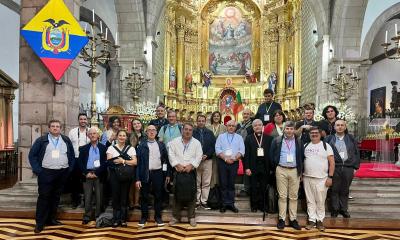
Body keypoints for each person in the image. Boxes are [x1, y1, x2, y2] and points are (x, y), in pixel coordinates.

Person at [29, 120, 75, 233]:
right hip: (46, 173)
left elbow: (72, 155)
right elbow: (32, 155)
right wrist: (38, 170)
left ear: (61, 128)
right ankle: (40, 223)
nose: (55, 128)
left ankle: (51, 219)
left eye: (57, 126)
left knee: (56, 197)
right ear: (49, 128)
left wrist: (69, 169)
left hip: (61, 173)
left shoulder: (66, 140)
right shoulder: (41, 140)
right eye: (53, 126)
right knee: (44, 198)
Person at [270, 121, 303, 230]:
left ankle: (293, 219)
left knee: (293, 196)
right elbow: (271, 155)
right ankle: (282, 219)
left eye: (291, 129)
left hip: (294, 170)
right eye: (287, 129)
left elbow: (301, 157)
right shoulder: (277, 140)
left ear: (294, 130)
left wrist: (301, 171)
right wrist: (275, 167)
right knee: (282, 196)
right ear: (284, 129)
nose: (289, 131)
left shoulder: (298, 141)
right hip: (281, 169)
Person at [168, 123, 203, 227]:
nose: (188, 131)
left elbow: (199, 155)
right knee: (177, 194)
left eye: (190, 130)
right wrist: (176, 164)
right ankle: (175, 217)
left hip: (190, 171)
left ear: (192, 131)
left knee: (192, 195)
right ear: (182, 130)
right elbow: (171, 154)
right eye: (186, 129)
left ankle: (191, 217)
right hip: (178, 171)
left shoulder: (196, 143)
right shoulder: (174, 142)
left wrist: (192, 165)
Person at [136, 125, 170, 228]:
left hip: (158, 173)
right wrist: (137, 178)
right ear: (146, 132)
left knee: (158, 195)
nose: (151, 132)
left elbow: (165, 160)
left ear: (156, 132)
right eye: (149, 130)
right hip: (145, 173)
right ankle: (144, 217)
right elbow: (138, 163)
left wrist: (167, 174)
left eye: (153, 130)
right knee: (144, 196)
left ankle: (158, 217)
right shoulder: (142, 145)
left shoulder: (161, 145)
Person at [325, 119, 360, 218]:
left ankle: (344, 209)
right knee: (334, 189)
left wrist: (355, 167)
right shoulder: (329, 139)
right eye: (338, 125)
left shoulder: (351, 138)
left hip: (348, 167)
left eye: (342, 125)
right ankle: (335, 209)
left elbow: (357, 152)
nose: (340, 127)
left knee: (345, 189)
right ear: (334, 127)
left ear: (345, 127)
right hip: (335, 167)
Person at [303, 127, 335, 231]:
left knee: (320, 201)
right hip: (307, 177)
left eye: (316, 133)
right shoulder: (305, 146)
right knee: (310, 200)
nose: (314, 134)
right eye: (312, 133)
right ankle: (312, 220)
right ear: (309, 135)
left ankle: (320, 221)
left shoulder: (326, 146)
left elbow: (332, 162)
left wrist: (330, 177)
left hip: (322, 178)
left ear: (320, 134)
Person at [106, 129, 137, 227]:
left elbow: (135, 162)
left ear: (126, 137)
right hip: (114, 176)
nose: (122, 137)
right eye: (120, 135)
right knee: (115, 197)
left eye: (124, 135)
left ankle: (123, 219)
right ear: (117, 137)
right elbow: (109, 161)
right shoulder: (111, 148)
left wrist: (123, 161)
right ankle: (116, 219)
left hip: (126, 175)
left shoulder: (131, 148)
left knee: (124, 197)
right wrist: (127, 160)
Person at [78, 127, 107, 225]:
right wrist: (87, 173)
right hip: (87, 175)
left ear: (98, 135)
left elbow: (105, 162)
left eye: (95, 133)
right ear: (88, 136)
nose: (93, 135)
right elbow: (80, 162)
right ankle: (87, 216)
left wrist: (96, 173)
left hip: (99, 174)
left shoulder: (104, 148)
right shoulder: (83, 148)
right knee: (87, 196)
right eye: (91, 134)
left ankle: (98, 215)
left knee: (99, 196)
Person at [215, 120, 245, 213]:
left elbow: (242, 150)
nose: (231, 127)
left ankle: (231, 204)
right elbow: (217, 149)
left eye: (233, 126)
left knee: (231, 184)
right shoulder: (221, 136)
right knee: (223, 183)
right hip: (223, 162)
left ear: (236, 127)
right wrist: (225, 159)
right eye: (229, 125)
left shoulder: (239, 137)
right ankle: (224, 204)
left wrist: (235, 158)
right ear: (226, 126)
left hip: (234, 162)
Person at [244, 119, 273, 212]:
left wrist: (271, 168)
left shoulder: (269, 138)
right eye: (255, 125)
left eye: (259, 125)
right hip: (253, 166)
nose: (257, 127)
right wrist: (247, 167)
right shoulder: (248, 138)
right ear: (253, 127)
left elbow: (271, 154)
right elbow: (246, 154)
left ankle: (263, 205)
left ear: (262, 126)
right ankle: (254, 205)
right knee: (253, 187)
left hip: (265, 166)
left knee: (263, 186)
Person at [193, 115, 216, 209]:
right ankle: (197, 201)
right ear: (196, 122)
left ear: (205, 122)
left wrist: (207, 155)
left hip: (208, 160)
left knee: (206, 182)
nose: (201, 122)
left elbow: (213, 146)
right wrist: (197, 156)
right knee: (197, 182)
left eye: (203, 121)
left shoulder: (210, 133)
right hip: (196, 161)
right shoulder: (193, 133)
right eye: (199, 121)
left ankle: (204, 201)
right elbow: (191, 145)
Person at [68, 113, 90, 208]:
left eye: (84, 119)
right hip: (75, 159)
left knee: (86, 180)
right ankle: (75, 200)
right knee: (75, 180)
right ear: (78, 120)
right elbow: (69, 146)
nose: (83, 121)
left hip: (86, 159)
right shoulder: (72, 132)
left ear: (87, 120)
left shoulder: (90, 131)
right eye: (81, 119)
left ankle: (86, 200)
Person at [129, 119, 146, 210]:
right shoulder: (129, 135)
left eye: (138, 123)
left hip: (142, 161)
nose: (136, 125)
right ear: (132, 126)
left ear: (141, 124)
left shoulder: (145, 135)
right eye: (134, 124)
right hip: (132, 160)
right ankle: (131, 202)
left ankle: (137, 202)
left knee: (139, 182)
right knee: (132, 182)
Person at [207, 111, 227, 188]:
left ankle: (218, 186)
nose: (216, 117)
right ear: (212, 117)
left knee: (219, 170)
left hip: (220, 153)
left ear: (220, 117)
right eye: (214, 116)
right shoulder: (208, 127)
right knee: (211, 170)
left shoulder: (224, 127)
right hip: (210, 152)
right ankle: (211, 187)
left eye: (218, 116)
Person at [236, 109, 253, 197]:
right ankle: (246, 187)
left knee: (249, 168)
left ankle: (249, 188)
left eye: (247, 114)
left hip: (249, 150)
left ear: (250, 115)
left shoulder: (252, 125)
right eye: (244, 114)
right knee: (245, 168)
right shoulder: (239, 125)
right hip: (241, 150)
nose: (245, 115)